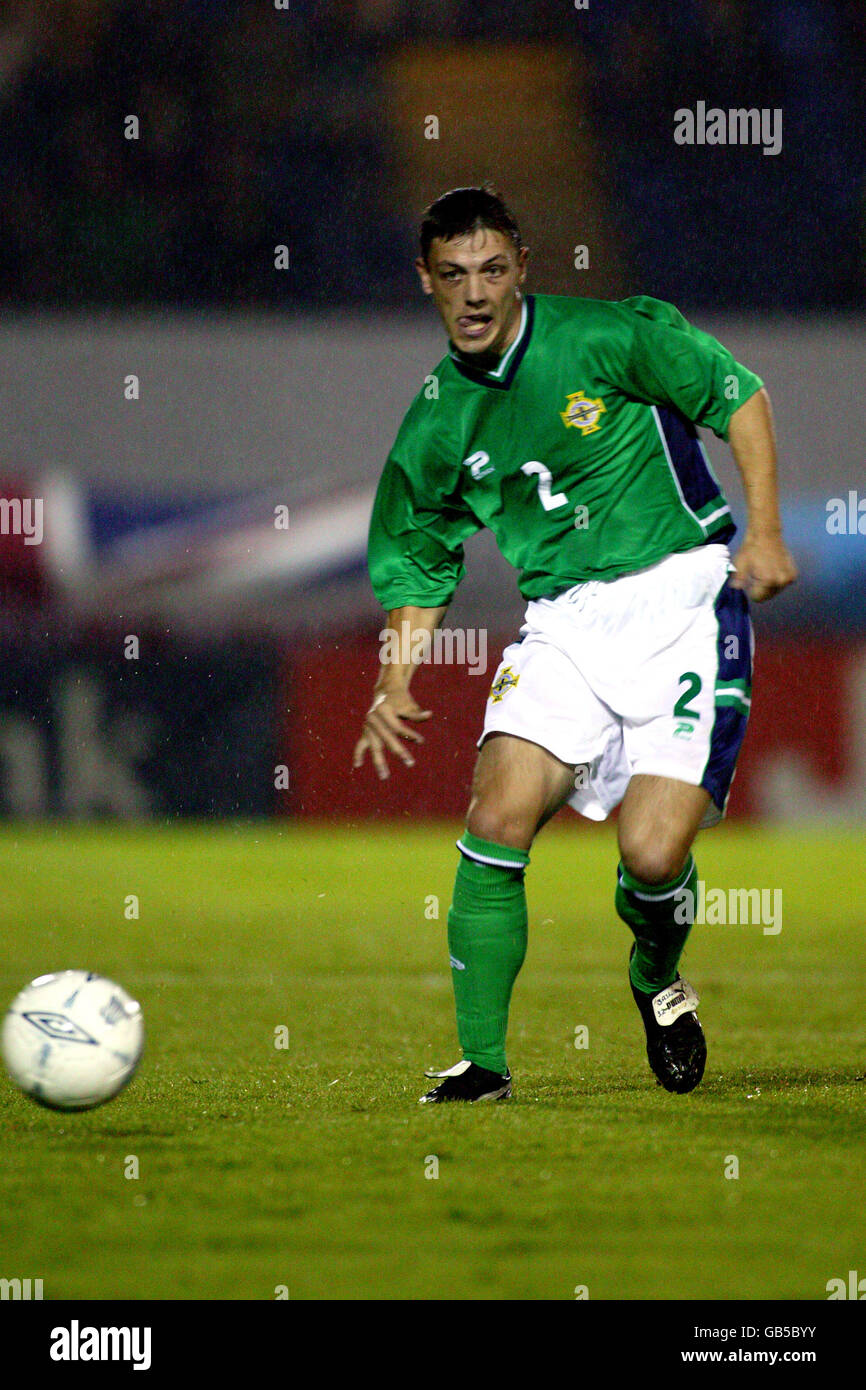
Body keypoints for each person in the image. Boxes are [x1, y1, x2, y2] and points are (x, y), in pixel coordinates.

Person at [352, 185, 797, 1102]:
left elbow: (739, 395)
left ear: (521, 269)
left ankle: (654, 978)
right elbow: (418, 555)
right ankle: (484, 1064)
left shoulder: (603, 337)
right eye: (453, 275)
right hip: (562, 623)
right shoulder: (434, 424)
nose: (474, 294)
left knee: (653, 857)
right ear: (425, 282)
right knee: (496, 817)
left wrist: (764, 533)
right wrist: (395, 681)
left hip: (681, 599)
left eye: (492, 270)